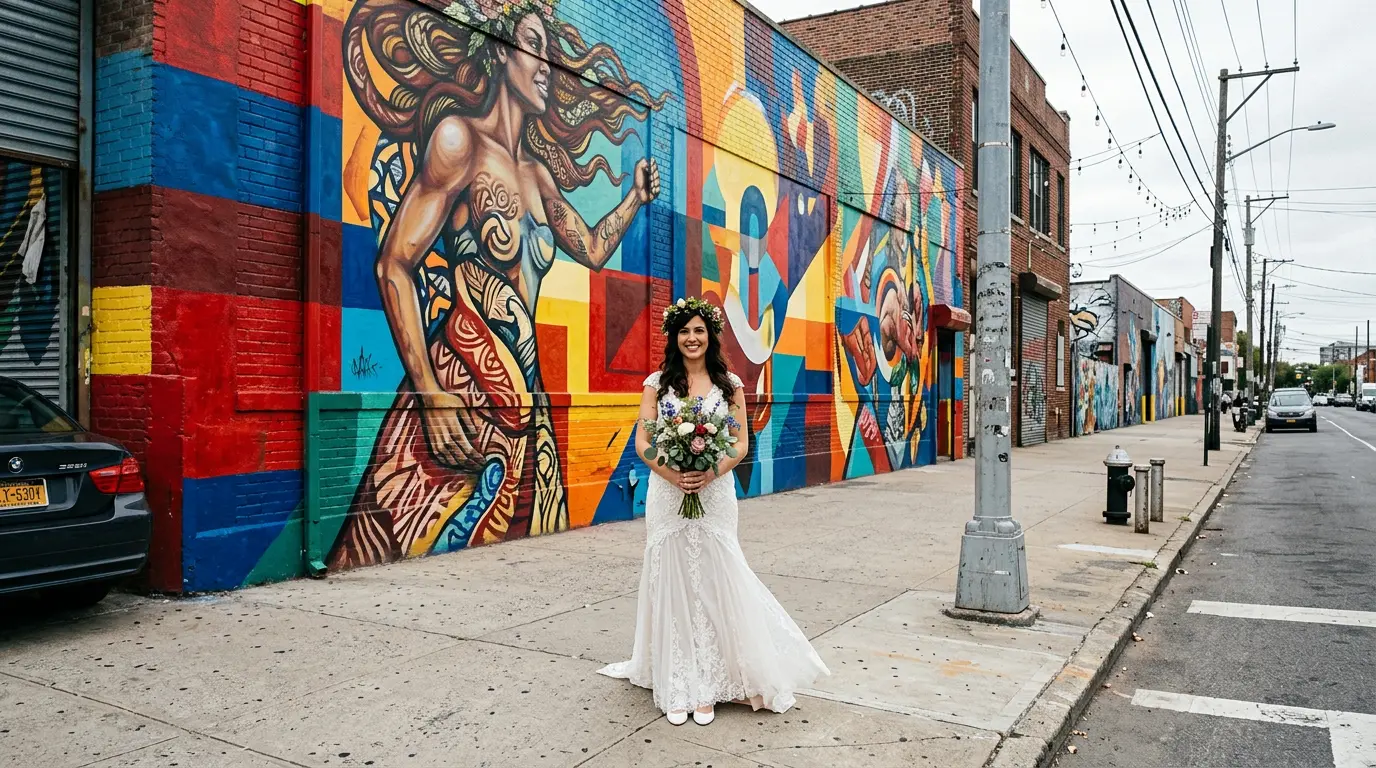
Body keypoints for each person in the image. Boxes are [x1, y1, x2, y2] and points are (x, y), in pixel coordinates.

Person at [330, 0, 665, 566]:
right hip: (460, 392)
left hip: (525, 409)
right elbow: (394, 265)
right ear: (498, 51)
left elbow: (591, 248)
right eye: (534, 46)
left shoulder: (538, 177)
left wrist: (634, 196)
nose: (546, 67)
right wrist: (431, 395)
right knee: (402, 532)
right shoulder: (458, 142)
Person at [599, 298, 830, 726]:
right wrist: (674, 475)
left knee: (715, 577)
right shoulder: (656, 384)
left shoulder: (731, 386)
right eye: (684, 331)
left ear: (710, 337)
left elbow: (739, 444)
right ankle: (678, 680)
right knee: (673, 578)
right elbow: (643, 443)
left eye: (699, 331)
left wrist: (708, 473)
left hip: (715, 493)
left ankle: (709, 680)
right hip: (668, 494)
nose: (691, 338)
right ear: (674, 337)